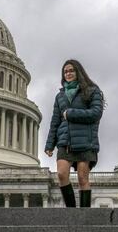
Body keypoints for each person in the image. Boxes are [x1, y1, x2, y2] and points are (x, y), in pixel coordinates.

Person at [45, 59, 104, 208]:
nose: (68, 74)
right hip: (65, 141)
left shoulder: (92, 91)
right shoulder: (60, 96)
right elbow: (55, 121)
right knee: (61, 174)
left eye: (71, 70)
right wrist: (50, 144)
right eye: (65, 72)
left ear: (78, 72)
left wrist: (71, 113)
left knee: (82, 179)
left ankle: (83, 217)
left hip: (85, 141)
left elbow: (96, 113)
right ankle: (72, 212)